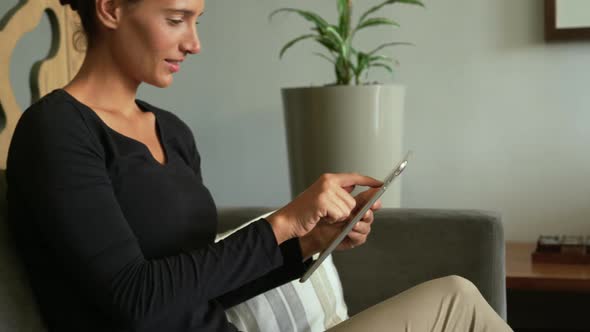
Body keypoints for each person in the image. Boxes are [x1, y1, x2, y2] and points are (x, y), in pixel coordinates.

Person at [5, 0, 513, 331]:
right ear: (111, 8)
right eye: (176, 19)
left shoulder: (172, 132)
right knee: (456, 306)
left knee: (455, 296)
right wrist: (281, 223)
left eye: (197, 22)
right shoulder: (56, 131)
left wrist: (307, 244)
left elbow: (206, 286)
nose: (194, 43)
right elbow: (134, 300)